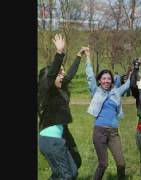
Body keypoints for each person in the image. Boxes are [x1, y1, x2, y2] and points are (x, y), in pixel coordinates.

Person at [38, 34, 83, 179]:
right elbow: (51, 76)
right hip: (51, 140)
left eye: (62, 72)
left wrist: (78, 56)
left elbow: (69, 75)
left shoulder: (59, 89)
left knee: (73, 171)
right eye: (60, 73)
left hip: (58, 138)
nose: (63, 75)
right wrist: (59, 53)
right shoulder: (47, 90)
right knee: (66, 176)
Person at [83, 47, 130, 180]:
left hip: (114, 133)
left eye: (109, 79)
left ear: (112, 81)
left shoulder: (116, 92)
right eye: (103, 78)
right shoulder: (95, 90)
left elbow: (127, 85)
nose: (106, 81)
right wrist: (87, 56)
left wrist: (135, 69)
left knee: (121, 164)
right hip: (99, 132)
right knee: (103, 164)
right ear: (99, 81)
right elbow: (90, 75)